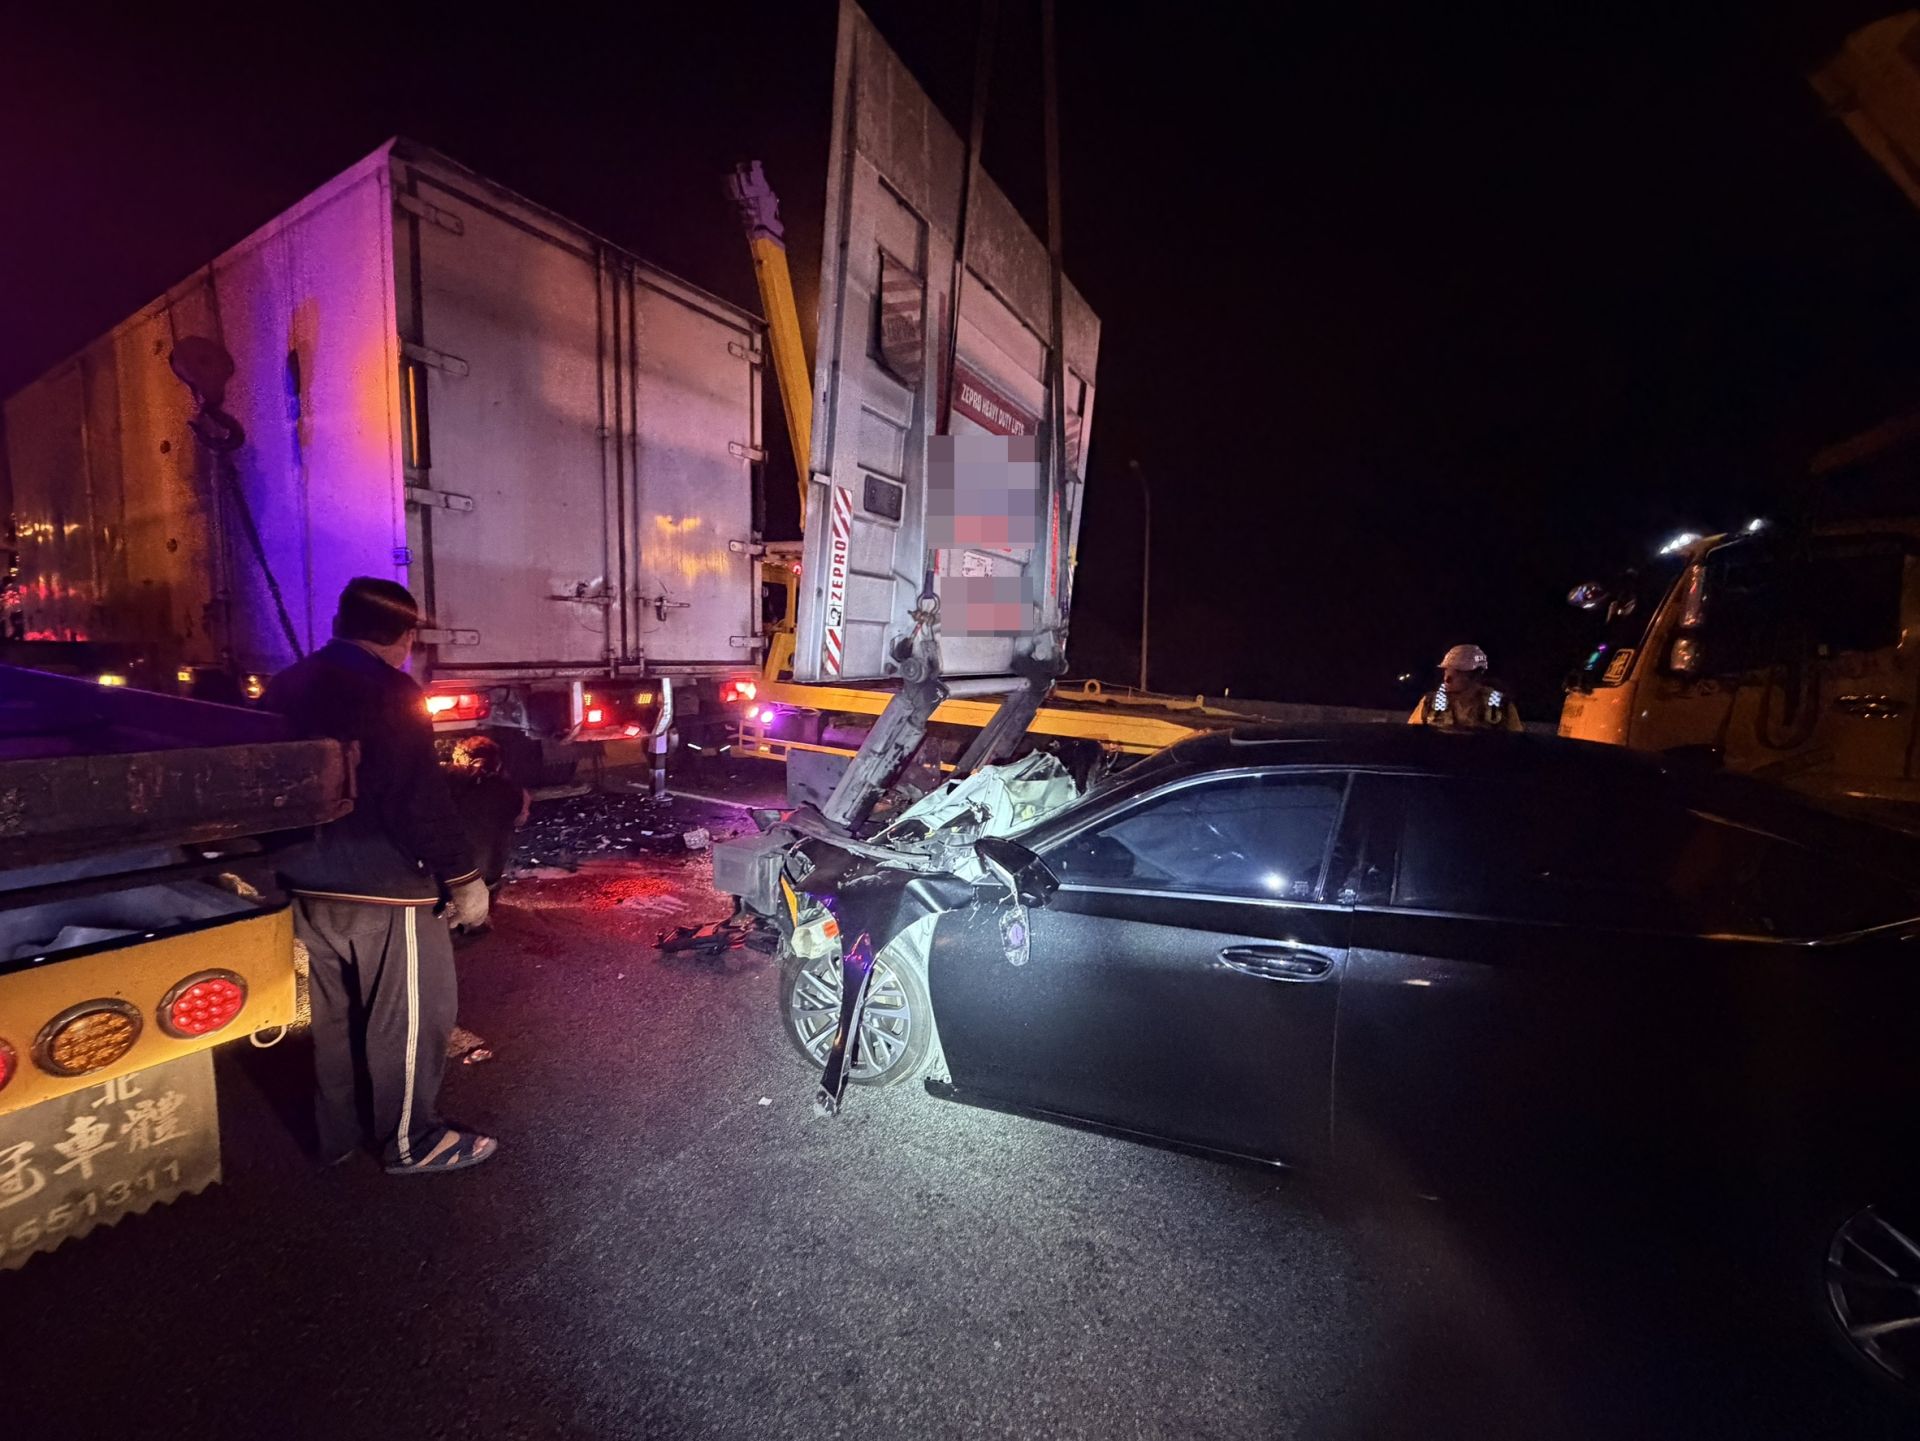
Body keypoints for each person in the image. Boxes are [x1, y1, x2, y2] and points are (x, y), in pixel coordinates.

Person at [263, 577, 499, 1176]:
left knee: (334, 1017)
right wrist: (464, 877)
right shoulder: (393, 693)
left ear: (338, 623)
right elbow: (418, 798)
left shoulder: (285, 685)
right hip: (384, 887)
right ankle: (410, 1141)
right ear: (405, 637)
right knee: (411, 1015)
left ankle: (337, 1134)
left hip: (302, 879)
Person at [1408, 643, 1522, 731]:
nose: (1447, 678)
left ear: (1476, 676)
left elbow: (1516, 744)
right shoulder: (1429, 704)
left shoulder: (1502, 707)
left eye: (1458, 672)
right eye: (1446, 670)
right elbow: (1412, 738)